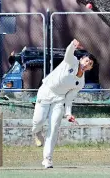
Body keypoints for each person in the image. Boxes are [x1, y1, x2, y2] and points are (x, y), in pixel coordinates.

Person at [32, 39, 97, 168]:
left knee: (54, 127)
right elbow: (68, 52)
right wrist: (73, 44)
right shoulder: (71, 61)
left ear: (90, 68)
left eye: (89, 64)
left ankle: (47, 159)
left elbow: (69, 97)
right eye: (86, 61)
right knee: (38, 121)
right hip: (46, 92)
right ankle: (36, 131)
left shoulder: (81, 83)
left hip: (59, 99)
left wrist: (68, 114)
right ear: (81, 59)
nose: (86, 64)